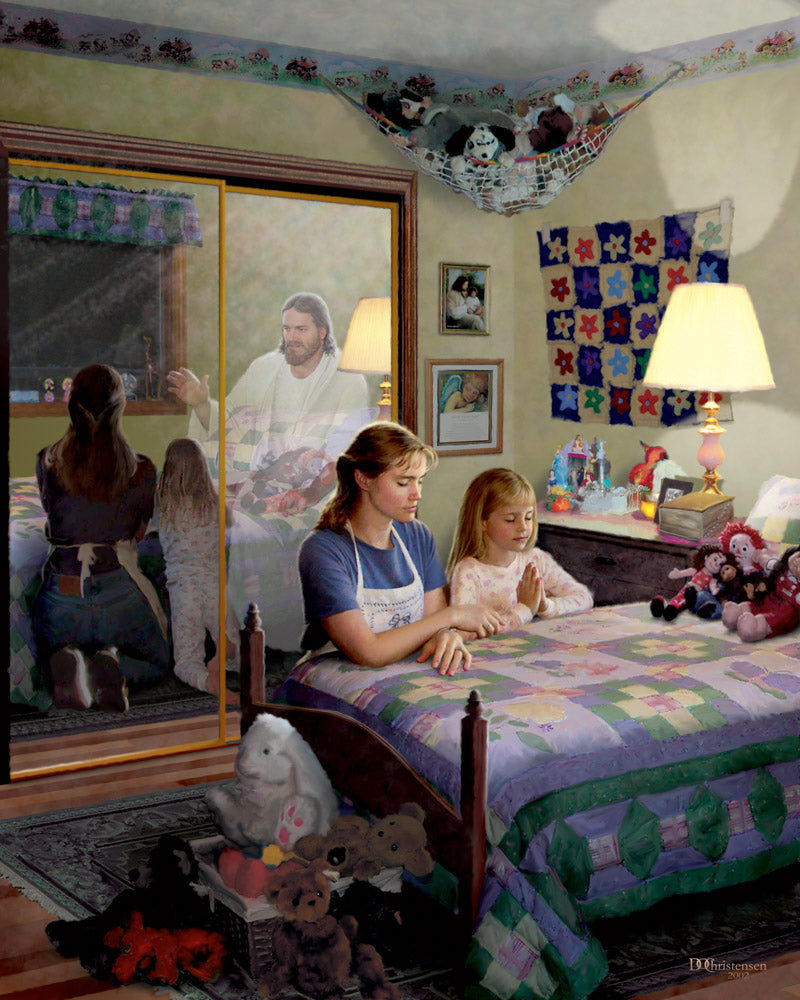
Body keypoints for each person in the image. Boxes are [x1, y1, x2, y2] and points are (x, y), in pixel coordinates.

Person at [297, 422, 504, 675]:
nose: (416, 494)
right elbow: (368, 652)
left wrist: (445, 636)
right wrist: (453, 617)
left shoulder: (418, 535)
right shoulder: (323, 550)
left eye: (420, 481)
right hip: (333, 672)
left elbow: (434, 622)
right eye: (404, 482)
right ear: (363, 478)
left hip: (406, 667)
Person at [31, 364, 170, 712]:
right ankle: (110, 666)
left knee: (49, 652)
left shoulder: (46, 462)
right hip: (116, 587)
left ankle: (67, 663)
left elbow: (55, 511)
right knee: (158, 661)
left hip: (61, 592)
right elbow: (137, 534)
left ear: (70, 404)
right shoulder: (144, 469)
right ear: (120, 407)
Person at [166, 292, 368, 514]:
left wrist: (310, 491)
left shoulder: (347, 378)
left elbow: (349, 449)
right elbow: (227, 421)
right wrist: (202, 404)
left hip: (311, 488)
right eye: (286, 329)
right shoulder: (263, 369)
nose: (291, 337)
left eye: (301, 330)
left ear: (322, 332)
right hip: (254, 477)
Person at [447, 468, 593, 631]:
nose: (523, 527)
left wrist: (545, 606)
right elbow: (464, 632)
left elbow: (583, 598)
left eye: (528, 517)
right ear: (483, 522)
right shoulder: (469, 572)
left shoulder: (536, 560)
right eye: (510, 519)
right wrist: (524, 609)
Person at [156, 438, 240, 703]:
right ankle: (227, 652)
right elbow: (231, 521)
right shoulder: (215, 504)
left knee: (185, 661)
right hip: (216, 588)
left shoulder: (164, 504)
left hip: (184, 591)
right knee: (240, 656)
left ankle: (210, 683)